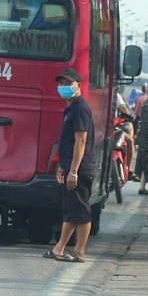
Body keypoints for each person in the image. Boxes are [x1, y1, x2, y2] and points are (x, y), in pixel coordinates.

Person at [45, 67, 95, 263]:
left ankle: (79, 252)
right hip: (71, 166)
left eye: (68, 83)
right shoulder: (71, 108)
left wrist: (73, 171)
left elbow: (81, 141)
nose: (63, 87)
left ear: (78, 86)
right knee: (71, 210)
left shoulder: (81, 108)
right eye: (61, 83)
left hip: (80, 168)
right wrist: (64, 166)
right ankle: (59, 248)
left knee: (80, 211)